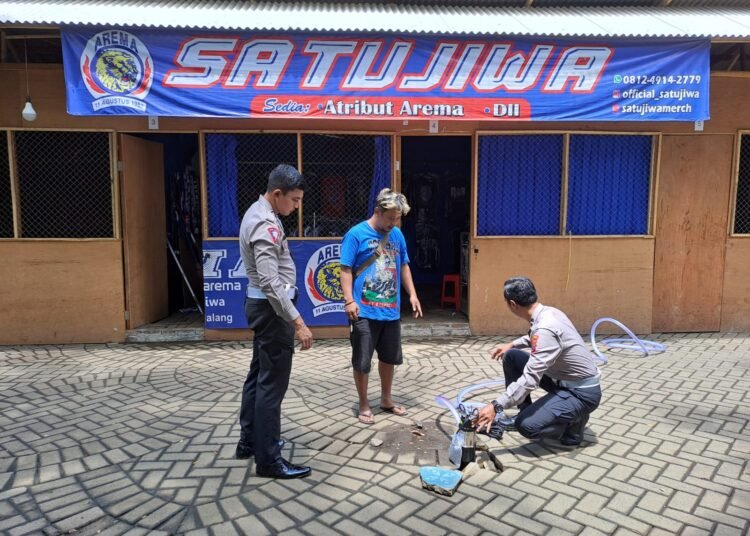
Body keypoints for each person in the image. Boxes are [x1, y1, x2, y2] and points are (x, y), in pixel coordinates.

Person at [235, 164, 314, 479]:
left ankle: (251, 441)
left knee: (258, 376)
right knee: (272, 386)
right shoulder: (265, 223)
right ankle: (268, 460)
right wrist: (297, 321)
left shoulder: (257, 212)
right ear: (277, 193)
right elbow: (270, 281)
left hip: (263, 308)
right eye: (294, 200)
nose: (296, 207)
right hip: (272, 311)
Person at [474, 277, 601, 447]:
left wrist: (496, 406)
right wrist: (511, 344)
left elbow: (530, 379)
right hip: (562, 381)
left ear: (513, 304)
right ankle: (527, 411)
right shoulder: (549, 312)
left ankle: (574, 420)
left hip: (581, 394)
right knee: (512, 356)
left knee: (526, 426)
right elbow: (535, 336)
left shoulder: (546, 327)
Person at [340, 188, 422, 425]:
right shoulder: (356, 234)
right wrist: (349, 300)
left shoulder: (397, 235)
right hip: (363, 310)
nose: (394, 223)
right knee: (363, 360)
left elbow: (403, 265)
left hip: (390, 310)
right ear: (378, 211)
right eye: (390, 218)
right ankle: (364, 404)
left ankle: (386, 399)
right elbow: (345, 269)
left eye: (397, 218)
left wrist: (413, 294)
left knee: (389, 358)